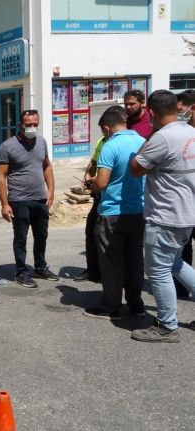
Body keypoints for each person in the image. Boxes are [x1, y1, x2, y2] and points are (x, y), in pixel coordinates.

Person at [130, 90, 195, 343]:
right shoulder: (190, 132)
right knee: (175, 264)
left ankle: (167, 325)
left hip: (166, 215)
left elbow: (136, 168)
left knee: (158, 271)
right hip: (187, 212)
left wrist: (149, 138)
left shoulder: (163, 137)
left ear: (151, 113)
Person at [82, 106, 145, 320]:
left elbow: (102, 182)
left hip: (112, 211)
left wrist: (92, 184)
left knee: (111, 261)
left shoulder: (110, 146)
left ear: (107, 128)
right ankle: (136, 304)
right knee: (135, 259)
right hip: (138, 210)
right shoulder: (142, 141)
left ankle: (111, 306)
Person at [0, 109, 59, 288]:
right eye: (28, 125)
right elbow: (1, 176)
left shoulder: (42, 142)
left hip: (40, 198)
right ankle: (21, 272)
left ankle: (40, 267)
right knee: (21, 237)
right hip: (19, 199)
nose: (32, 128)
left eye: (35, 124)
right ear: (20, 125)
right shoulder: (7, 146)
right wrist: (4, 204)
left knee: (41, 235)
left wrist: (51, 191)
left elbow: (47, 167)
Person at [75, 106, 128, 282]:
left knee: (109, 237)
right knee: (92, 232)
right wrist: (88, 175)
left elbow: (116, 173)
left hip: (114, 197)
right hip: (99, 196)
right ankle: (93, 270)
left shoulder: (120, 143)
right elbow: (94, 162)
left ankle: (111, 276)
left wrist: (97, 181)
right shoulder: (102, 142)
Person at [174, 89, 195, 298]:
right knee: (184, 248)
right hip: (186, 203)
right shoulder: (184, 132)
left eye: (181, 110)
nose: (180, 114)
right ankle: (181, 287)